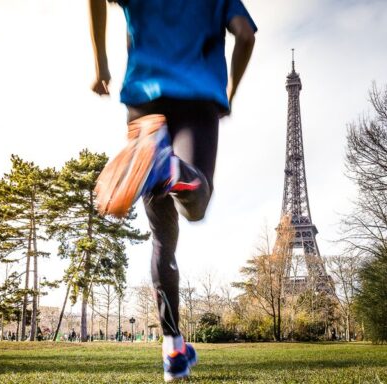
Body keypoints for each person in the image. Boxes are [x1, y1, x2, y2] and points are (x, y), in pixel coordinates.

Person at [88, 0, 256, 381]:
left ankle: (174, 348)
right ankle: (172, 168)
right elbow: (245, 35)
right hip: (198, 97)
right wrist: (230, 88)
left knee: (163, 240)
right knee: (195, 207)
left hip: (144, 103)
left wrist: (101, 65)